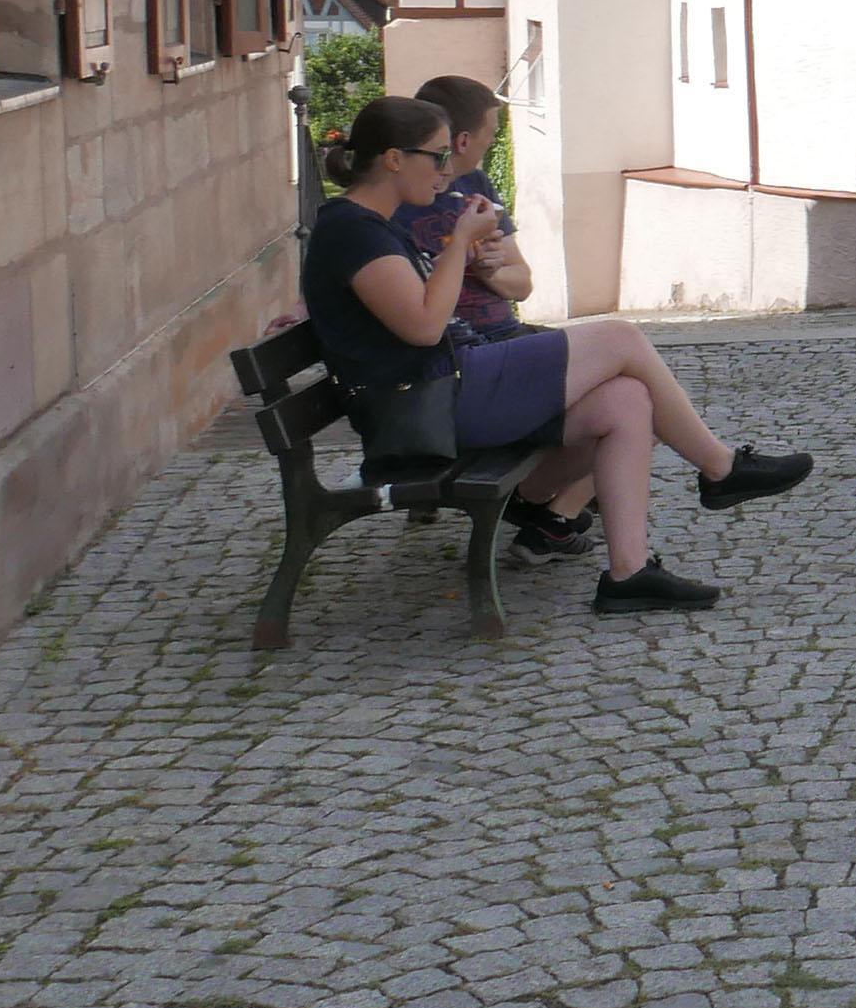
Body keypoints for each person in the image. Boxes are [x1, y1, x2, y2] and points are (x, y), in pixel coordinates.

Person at [304, 95, 811, 614]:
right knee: (620, 338)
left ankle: (628, 574)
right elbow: (424, 327)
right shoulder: (353, 231)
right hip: (426, 404)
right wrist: (458, 244)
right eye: (435, 156)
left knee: (628, 400)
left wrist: (467, 254)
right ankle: (720, 469)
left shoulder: (371, 226)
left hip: (445, 387)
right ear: (393, 159)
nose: (445, 170)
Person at [398, 76, 598, 569]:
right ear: (463, 140)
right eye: (490, 131)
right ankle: (549, 516)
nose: (493, 141)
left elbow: (521, 283)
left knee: (625, 383)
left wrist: (489, 270)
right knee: (625, 388)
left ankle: (556, 513)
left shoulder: (478, 191)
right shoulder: (399, 207)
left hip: (503, 340)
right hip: (469, 363)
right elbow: (416, 311)